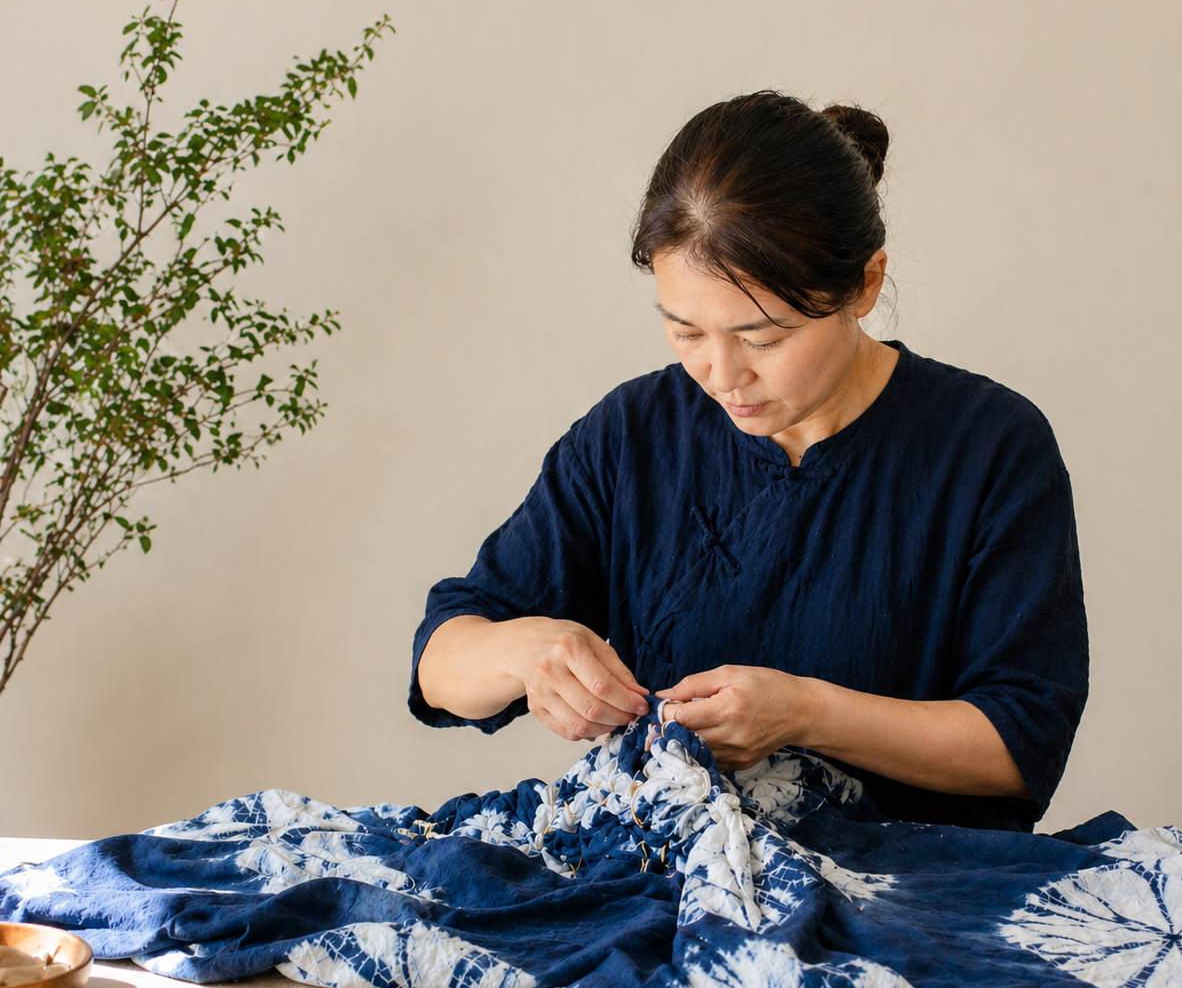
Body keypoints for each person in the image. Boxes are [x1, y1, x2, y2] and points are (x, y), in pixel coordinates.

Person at [409, 91, 1088, 831]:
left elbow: (1021, 742)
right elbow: (441, 663)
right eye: (685, 331)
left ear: (863, 286)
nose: (722, 374)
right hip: (671, 884)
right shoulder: (632, 436)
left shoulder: (990, 447)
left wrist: (806, 713)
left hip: (920, 893)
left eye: (763, 339)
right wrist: (526, 653)